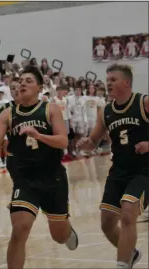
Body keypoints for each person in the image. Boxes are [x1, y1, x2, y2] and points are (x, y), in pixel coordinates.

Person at [0, 66, 78, 269]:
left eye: (28, 81)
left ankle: (67, 229)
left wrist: (39, 135)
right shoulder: (7, 113)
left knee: (59, 236)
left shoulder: (50, 109)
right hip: (25, 180)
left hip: (53, 178)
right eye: (21, 80)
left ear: (40, 88)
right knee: (19, 229)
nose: (22, 83)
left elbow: (62, 142)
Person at [77, 63, 149, 269]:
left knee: (128, 212)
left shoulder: (143, 103)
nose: (108, 84)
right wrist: (86, 144)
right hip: (118, 172)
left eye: (113, 80)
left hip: (144, 170)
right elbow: (93, 141)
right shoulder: (105, 112)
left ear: (126, 82)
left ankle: (122, 265)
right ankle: (131, 254)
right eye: (107, 80)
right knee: (107, 224)